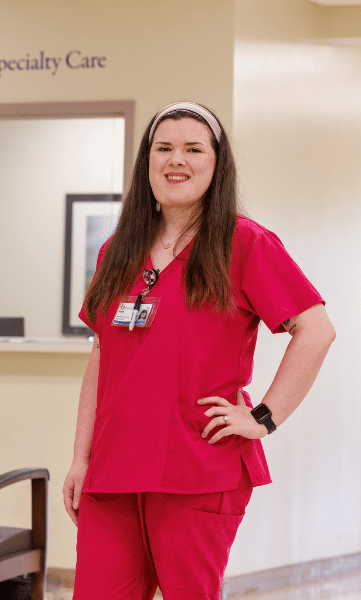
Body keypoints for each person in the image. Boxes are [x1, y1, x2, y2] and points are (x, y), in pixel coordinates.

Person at [62, 101, 335, 600]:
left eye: (193, 149)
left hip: (196, 465)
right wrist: (81, 457)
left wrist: (262, 417)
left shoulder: (245, 243)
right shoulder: (117, 249)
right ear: (147, 162)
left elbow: (316, 331)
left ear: (217, 162)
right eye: (163, 148)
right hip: (113, 468)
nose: (176, 160)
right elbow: (102, 359)